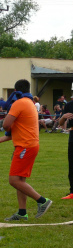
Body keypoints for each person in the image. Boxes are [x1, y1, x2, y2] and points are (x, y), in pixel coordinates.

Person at [2, 79, 52, 221]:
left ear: (16, 91)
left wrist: (7, 118)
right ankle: (22, 212)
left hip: (25, 147)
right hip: (28, 145)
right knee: (20, 180)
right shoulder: (29, 103)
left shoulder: (19, 103)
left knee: (13, 180)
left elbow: (6, 125)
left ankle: (42, 201)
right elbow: (12, 134)